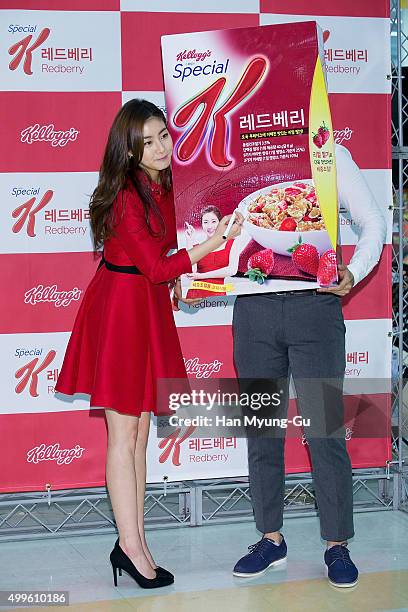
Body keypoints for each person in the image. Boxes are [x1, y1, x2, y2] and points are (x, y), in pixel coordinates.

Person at [55, 99, 243, 589]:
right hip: (121, 311)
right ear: (129, 149)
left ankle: (133, 540)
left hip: (147, 305)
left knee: (139, 435)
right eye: (148, 142)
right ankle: (131, 545)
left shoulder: (162, 186)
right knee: (123, 436)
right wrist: (212, 243)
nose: (161, 148)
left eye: (164, 136)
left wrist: (185, 273)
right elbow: (158, 266)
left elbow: (161, 265)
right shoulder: (123, 196)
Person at [231, 143, 387, 588]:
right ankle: (270, 538)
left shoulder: (331, 154)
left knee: (323, 429)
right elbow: (214, 222)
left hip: (316, 308)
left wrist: (354, 271)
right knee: (262, 428)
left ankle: (337, 544)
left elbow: (373, 221)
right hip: (255, 307)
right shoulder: (243, 153)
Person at [185, 205, 242, 298]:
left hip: (219, 296)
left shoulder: (231, 243)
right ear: (202, 225)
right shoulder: (196, 247)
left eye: (214, 222)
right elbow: (191, 271)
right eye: (206, 222)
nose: (210, 226)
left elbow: (232, 270)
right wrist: (189, 241)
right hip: (195, 296)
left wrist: (201, 276)